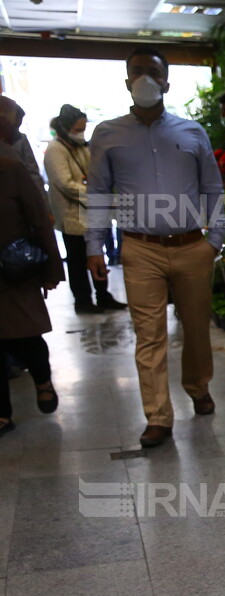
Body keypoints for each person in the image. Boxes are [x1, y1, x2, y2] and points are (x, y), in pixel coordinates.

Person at [85, 45, 225, 448]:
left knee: (197, 328)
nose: (146, 78)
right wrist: (94, 245)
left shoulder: (191, 131)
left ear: (167, 81)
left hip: (191, 246)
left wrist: (214, 240)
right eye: (138, 71)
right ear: (127, 81)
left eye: (153, 71)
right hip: (139, 247)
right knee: (149, 334)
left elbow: (213, 188)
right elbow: (97, 192)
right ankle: (159, 416)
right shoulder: (107, 134)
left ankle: (198, 386)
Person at [0, 96, 65, 437]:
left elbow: (40, 219)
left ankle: (42, 380)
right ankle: (2, 413)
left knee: (27, 336)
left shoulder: (11, 169)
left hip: (16, 268)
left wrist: (52, 269)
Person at [44, 104, 127, 315]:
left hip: (93, 214)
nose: (81, 132)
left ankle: (103, 295)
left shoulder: (82, 147)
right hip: (73, 215)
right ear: (65, 127)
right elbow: (65, 184)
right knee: (78, 260)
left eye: (83, 128)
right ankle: (82, 300)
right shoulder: (56, 149)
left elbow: (97, 174)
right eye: (77, 129)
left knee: (98, 254)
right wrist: (95, 196)